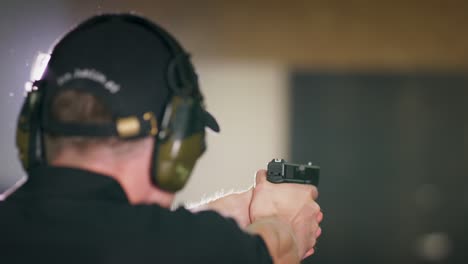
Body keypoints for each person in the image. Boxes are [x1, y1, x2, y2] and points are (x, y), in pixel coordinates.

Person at [0, 13, 323, 263]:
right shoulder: (206, 251)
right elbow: (275, 251)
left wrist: (220, 213)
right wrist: (280, 221)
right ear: (177, 146)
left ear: (33, 127)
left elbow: (123, 237)